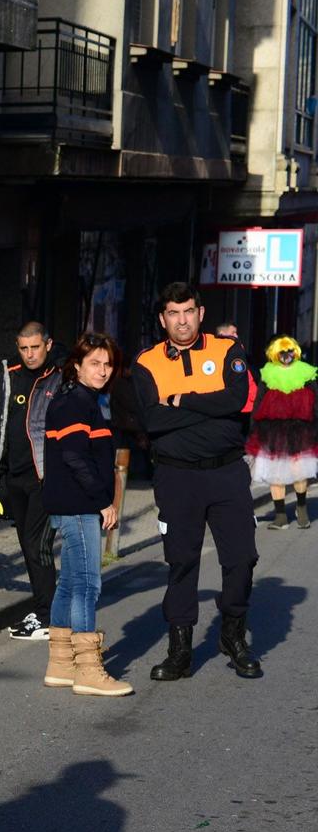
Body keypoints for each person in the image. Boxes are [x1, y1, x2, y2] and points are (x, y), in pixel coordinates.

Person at [131, 282, 263, 680]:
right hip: (177, 476)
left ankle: (233, 634)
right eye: (173, 313)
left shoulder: (227, 350)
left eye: (188, 311)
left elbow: (237, 401)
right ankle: (180, 650)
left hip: (227, 473)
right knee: (182, 562)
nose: (182, 320)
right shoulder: (147, 362)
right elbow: (152, 421)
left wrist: (181, 400)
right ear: (162, 319)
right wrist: (211, 408)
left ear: (200, 313)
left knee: (241, 558)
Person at [40, 333, 131, 697]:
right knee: (88, 585)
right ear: (76, 365)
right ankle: (88, 669)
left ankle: (61, 663)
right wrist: (102, 501)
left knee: (68, 584)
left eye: (107, 364)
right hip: (79, 504)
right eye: (94, 363)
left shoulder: (80, 399)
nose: (103, 370)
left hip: (72, 502)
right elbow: (75, 457)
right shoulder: (76, 402)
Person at [0, 322, 65, 641]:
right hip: (15, 475)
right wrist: (1, 470)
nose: (29, 354)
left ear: (48, 344)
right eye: (23, 348)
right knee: (26, 544)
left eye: (35, 347)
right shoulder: (11, 373)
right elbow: (3, 424)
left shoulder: (60, 376)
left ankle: (47, 614)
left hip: (45, 475)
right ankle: (41, 607)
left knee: (39, 545)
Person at [248, 335, 316, 529]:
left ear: (296, 352)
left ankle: (301, 509)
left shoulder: (306, 372)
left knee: (299, 470)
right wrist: (253, 429)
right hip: (272, 430)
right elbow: (258, 403)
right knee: (274, 472)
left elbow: (316, 402)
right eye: (282, 352)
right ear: (275, 354)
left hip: (300, 430)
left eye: (290, 351)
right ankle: (280, 516)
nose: (286, 356)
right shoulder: (268, 374)